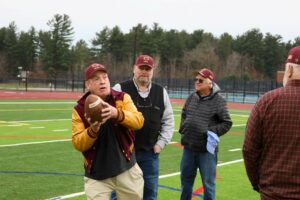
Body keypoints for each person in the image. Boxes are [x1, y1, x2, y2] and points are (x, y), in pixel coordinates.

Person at [72, 63, 145, 200]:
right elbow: (78, 143)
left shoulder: (122, 98)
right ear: (88, 85)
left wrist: (116, 114)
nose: (102, 81)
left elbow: (138, 121)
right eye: (96, 79)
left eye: (105, 77)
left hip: (126, 169)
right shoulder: (80, 109)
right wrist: (93, 130)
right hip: (97, 175)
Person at [112, 55, 175, 200]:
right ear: (134, 68)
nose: (144, 72)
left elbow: (169, 120)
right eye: (141, 68)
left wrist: (160, 144)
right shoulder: (120, 89)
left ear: (153, 71)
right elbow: (110, 118)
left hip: (149, 154)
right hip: (124, 153)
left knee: (150, 193)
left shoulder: (161, 92)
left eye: (148, 69)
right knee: (119, 194)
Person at [243, 46, 300, 200]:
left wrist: (258, 184)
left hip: (273, 193)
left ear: (288, 71)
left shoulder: (267, 101)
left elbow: (249, 149)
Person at [179, 68, 232, 200]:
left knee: (208, 186)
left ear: (210, 83)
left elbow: (227, 122)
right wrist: (183, 129)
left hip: (206, 152)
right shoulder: (192, 96)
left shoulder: (218, 100)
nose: (197, 82)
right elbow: (184, 114)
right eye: (196, 79)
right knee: (185, 184)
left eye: (201, 80)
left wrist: (211, 132)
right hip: (189, 149)